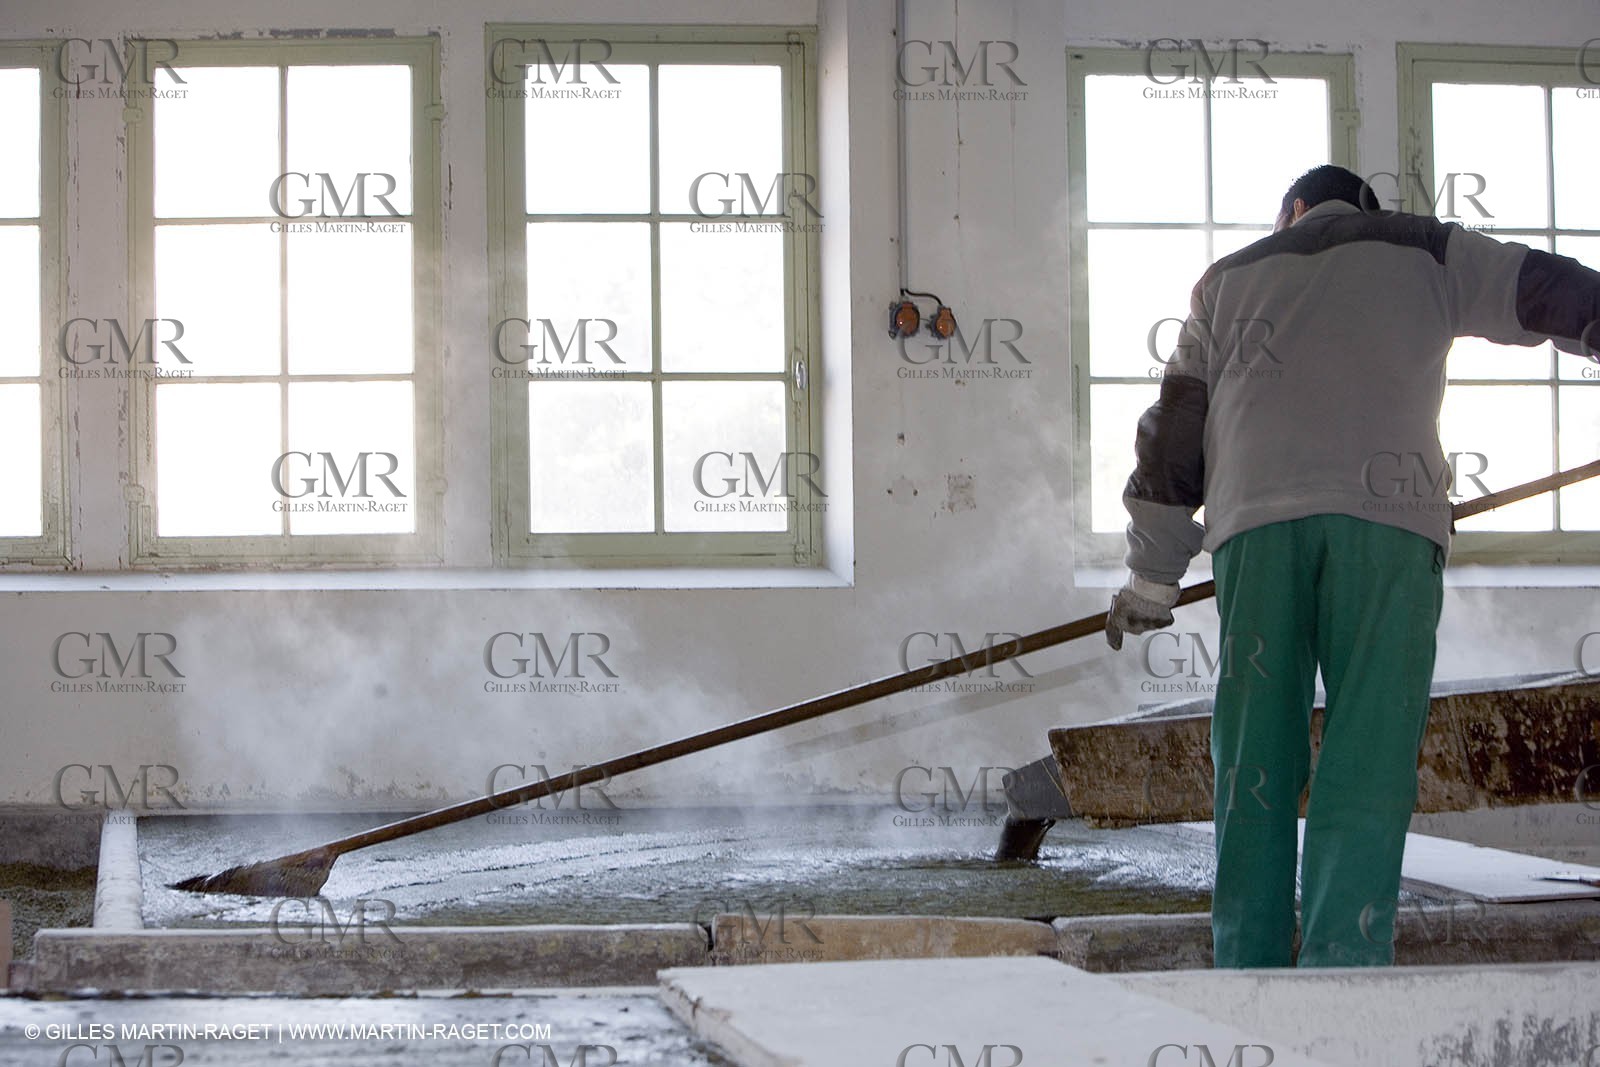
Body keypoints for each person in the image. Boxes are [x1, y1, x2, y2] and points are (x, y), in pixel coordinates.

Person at [1103, 163, 1600, 967]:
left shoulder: (1224, 283)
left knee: (1253, 761)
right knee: (1368, 754)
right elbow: (1547, 288)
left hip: (1256, 530)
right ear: (1364, 207)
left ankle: (1249, 970)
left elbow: (1172, 430)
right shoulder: (1427, 248)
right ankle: (1342, 970)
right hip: (1388, 526)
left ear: (1294, 210)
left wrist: (1153, 576)